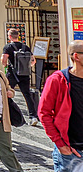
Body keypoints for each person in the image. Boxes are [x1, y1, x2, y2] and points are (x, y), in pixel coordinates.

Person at [39, 40, 83, 172]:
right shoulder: (57, 80)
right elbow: (44, 113)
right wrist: (61, 145)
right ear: (76, 56)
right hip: (71, 151)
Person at [1, 28, 38, 126]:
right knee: (27, 94)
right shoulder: (25, 47)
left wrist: (5, 66)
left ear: (9, 37)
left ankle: (6, 113)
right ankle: (33, 116)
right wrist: (26, 66)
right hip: (25, 74)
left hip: (12, 74)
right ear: (18, 36)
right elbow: (33, 61)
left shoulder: (8, 47)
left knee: (6, 92)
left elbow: (4, 59)